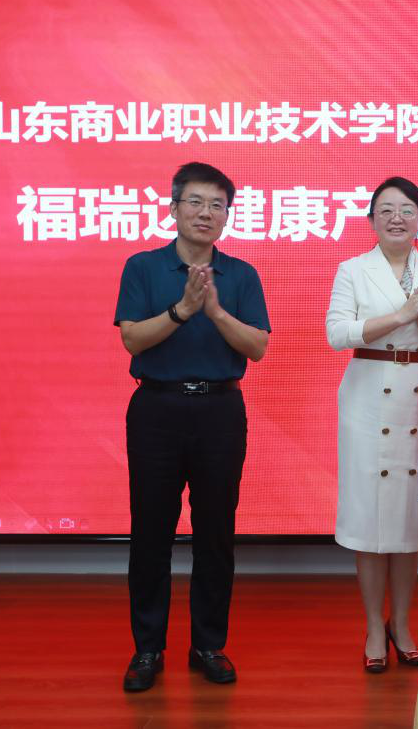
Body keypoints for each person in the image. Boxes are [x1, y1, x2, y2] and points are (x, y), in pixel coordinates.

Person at [114, 162, 270, 692]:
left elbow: (258, 347)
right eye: (196, 202)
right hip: (156, 410)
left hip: (220, 411)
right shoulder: (142, 267)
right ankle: (147, 648)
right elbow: (132, 340)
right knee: (151, 532)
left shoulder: (241, 275)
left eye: (217, 205)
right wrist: (182, 309)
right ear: (174, 207)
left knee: (216, 533)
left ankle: (208, 644)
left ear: (227, 216)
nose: (206, 213)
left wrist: (216, 312)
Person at [325, 176, 418, 673]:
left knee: (411, 517)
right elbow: (336, 333)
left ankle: (403, 623)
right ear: (371, 219)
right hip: (367, 396)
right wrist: (400, 315)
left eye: (407, 209)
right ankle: (374, 625)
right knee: (369, 516)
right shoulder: (352, 270)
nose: (396, 218)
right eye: (386, 209)